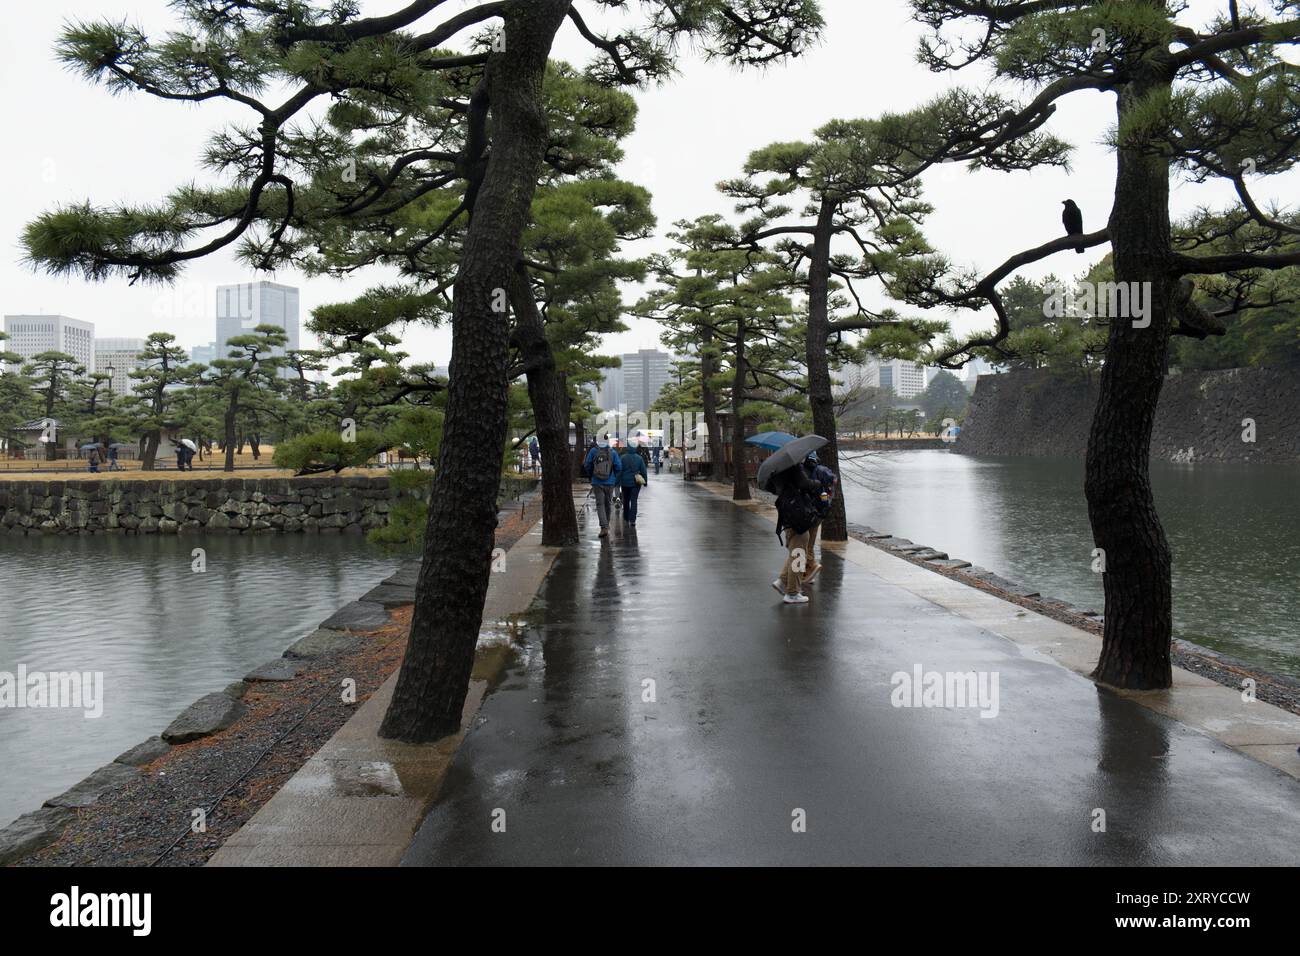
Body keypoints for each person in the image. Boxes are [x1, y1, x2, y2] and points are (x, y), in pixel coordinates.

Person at [768, 460, 823, 604]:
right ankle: (792, 593)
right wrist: (817, 483)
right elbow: (804, 483)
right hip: (798, 513)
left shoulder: (776, 469)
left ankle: (783, 581)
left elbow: (771, 488)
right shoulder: (793, 465)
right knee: (799, 555)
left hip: (787, 512)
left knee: (796, 551)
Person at [800, 451, 838, 586]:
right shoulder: (822, 471)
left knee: (801, 545)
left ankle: (807, 570)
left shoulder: (801, 471)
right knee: (809, 543)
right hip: (818, 513)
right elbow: (833, 482)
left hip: (805, 513)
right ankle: (808, 570)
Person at [581, 437, 622, 538]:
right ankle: (606, 524)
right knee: (608, 503)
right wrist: (613, 476)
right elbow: (619, 466)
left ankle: (604, 527)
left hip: (597, 482)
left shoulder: (594, 451)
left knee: (600, 504)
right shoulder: (612, 452)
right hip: (610, 482)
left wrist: (591, 475)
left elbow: (587, 464)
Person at [617, 440, 648, 523]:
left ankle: (626, 517)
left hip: (625, 483)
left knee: (626, 500)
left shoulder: (623, 457)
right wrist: (645, 481)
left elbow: (619, 471)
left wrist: (617, 481)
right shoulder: (639, 458)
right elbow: (644, 470)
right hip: (636, 483)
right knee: (634, 500)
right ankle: (633, 520)